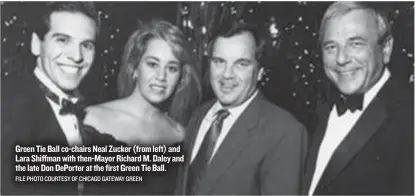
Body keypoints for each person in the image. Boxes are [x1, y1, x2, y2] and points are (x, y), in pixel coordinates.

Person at [176, 21, 308, 195]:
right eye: (219, 61)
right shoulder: (199, 114)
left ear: (260, 72)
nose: (227, 74)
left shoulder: (285, 132)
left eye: (241, 64)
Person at [1, 2, 120, 195]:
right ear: (35, 44)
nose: (77, 56)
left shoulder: (83, 117)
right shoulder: (6, 105)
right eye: (63, 40)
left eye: (86, 45)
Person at [303, 2, 414, 195]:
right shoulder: (316, 111)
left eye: (356, 43)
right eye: (331, 47)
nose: (341, 58)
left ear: (386, 48)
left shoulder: (408, 116)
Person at [83, 19, 202, 195]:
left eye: (171, 68)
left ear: (180, 78)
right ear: (135, 68)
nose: (161, 76)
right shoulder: (89, 120)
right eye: (152, 64)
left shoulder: (180, 135)